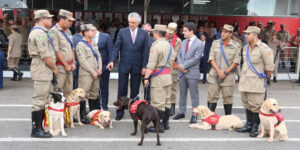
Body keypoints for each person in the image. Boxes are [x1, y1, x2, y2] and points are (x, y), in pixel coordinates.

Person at [107, 12, 149, 121]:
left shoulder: (144, 34)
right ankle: (119, 111)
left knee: (135, 91)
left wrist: (144, 66)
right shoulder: (122, 32)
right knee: (122, 90)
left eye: (133, 22)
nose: (131, 24)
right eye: (129, 22)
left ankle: (135, 111)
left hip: (138, 66)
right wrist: (112, 61)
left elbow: (146, 51)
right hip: (124, 65)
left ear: (138, 23)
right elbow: (116, 47)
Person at [236, 26, 274, 137]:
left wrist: (261, 80)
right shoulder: (245, 48)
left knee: (256, 106)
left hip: (256, 84)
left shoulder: (264, 48)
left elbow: (269, 69)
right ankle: (248, 124)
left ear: (255, 35)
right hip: (245, 82)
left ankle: (255, 127)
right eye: (245, 34)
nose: (245, 36)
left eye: (248, 34)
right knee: (247, 104)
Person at [28, 9, 57, 138]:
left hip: (44, 69)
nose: (51, 20)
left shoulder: (42, 32)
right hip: (42, 68)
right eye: (49, 18)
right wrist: (55, 68)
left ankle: (40, 127)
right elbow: (46, 56)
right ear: (41, 19)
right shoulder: (39, 34)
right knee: (39, 99)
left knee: (44, 98)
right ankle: (36, 129)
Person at [143, 24, 176, 133]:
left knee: (158, 103)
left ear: (156, 33)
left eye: (153, 32)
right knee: (167, 101)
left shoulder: (156, 46)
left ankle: (159, 125)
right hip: (167, 75)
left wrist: (146, 78)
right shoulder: (169, 45)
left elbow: (151, 64)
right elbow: (172, 59)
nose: (152, 34)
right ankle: (166, 124)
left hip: (158, 77)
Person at [206, 24, 240, 115]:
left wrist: (225, 72)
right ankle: (209, 118)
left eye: (225, 32)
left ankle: (227, 118)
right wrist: (219, 71)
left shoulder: (236, 45)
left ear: (230, 34)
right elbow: (211, 58)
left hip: (228, 76)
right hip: (214, 75)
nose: (222, 33)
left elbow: (236, 61)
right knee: (212, 97)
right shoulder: (215, 43)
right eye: (222, 31)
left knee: (228, 97)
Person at [173, 22, 203, 123]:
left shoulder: (199, 43)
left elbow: (196, 58)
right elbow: (179, 55)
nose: (183, 32)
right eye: (183, 30)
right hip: (182, 72)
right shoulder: (184, 42)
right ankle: (181, 112)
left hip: (192, 72)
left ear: (191, 31)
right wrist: (181, 66)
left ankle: (195, 114)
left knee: (194, 95)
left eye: (185, 31)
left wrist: (184, 66)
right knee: (182, 94)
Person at [49, 9, 76, 99]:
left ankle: (66, 113)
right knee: (58, 93)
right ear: (62, 19)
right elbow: (56, 51)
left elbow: (72, 48)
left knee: (69, 92)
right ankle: (57, 113)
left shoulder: (68, 31)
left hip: (69, 66)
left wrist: (73, 62)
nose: (71, 23)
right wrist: (65, 65)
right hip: (60, 67)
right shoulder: (53, 32)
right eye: (69, 21)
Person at [76, 24, 102, 112]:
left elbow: (98, 56)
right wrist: (92, 72)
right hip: (86, 74)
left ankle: (92, 113)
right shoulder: (80, 45)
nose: (94, 32)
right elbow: (82, 61)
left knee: (94, 94)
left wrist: (99, 68)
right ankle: (82, 114)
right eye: (92, 31)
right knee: (83, 94)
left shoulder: (93, 42)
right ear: (86, 32)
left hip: (96, 73)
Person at [92, 29, 113, 111]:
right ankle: (96, 106)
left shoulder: (105, 37)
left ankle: (104, 106)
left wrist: (110, 62)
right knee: (94, 88)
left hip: (105, 66)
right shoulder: (87, 37)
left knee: (104, 87)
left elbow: (110, 50)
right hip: (92, 67)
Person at [166, 22, 182, 116]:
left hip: (172, 67)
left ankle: (172, 106)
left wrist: (165, 60)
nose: (169, 34)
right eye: (168, 32)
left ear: (175, 32)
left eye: (171, 32)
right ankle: (165, 106)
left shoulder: (178, 41)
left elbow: (175, 55)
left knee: (172, 88)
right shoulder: (164, 38)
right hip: (163, 67)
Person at [142, 23, 155, 103]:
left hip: (150, 67)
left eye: (149, 31)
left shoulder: (153, 40)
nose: (147, 33)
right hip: (139, 67)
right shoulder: (137, 39)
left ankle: (147, 103)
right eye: (145, 31)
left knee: (148, 87)